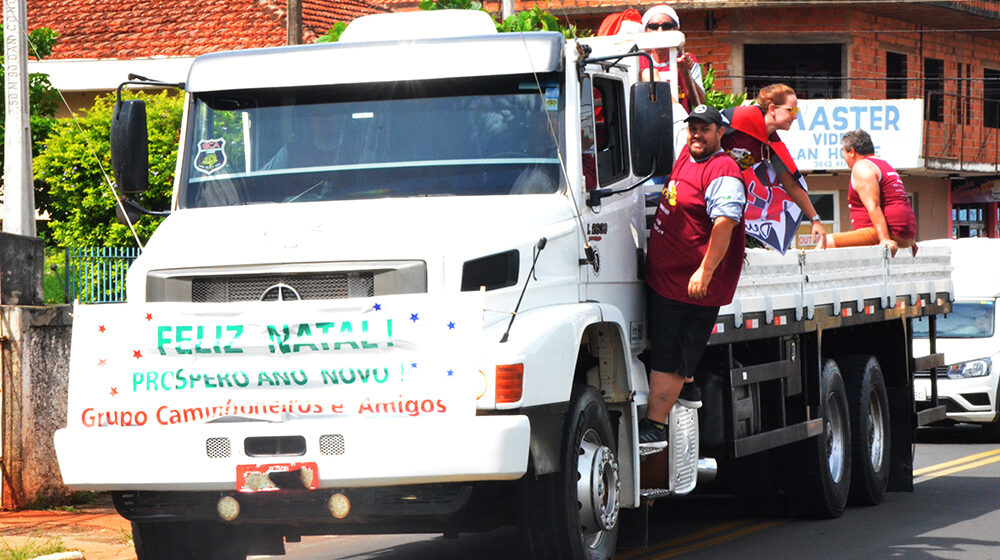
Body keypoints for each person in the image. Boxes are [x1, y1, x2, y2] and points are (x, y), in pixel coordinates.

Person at [639, 104, 746, 448]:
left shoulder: (723, 170)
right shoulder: (689, 155)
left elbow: (725, 223)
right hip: (666, 278)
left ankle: (654, 426)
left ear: (720, 133)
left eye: (705, 128)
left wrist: (705, 271)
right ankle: (688, 385)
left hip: (689, 287)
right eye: (693, 127)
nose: (697, 134)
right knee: (670, 351)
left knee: (669, 357)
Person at [722, 84, 827, 248]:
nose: (795, 117)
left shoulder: (772, 143)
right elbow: (705, 132)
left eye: (796, 112)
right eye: (791, 110)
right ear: (772, 109)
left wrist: (815, 219)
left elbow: (792, 184)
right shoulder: (738, 118)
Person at [826, 129, 918, 256]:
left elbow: (873, 205)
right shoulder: (885, 165)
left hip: (885, 233)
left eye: (843, 151)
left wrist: (884, 238)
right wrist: (907, 240)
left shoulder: (862, 166)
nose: (843, 156)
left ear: (852, 151)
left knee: (825, 242)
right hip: (905, 235)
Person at [639, 5, 706, 111]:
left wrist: (686, 74)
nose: (660, 31)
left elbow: (699, 102)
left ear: (675, 29)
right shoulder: (639, 61)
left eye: (666, 26)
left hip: (681, 125)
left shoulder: (686, 59)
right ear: (646, 30)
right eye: (654, 26)